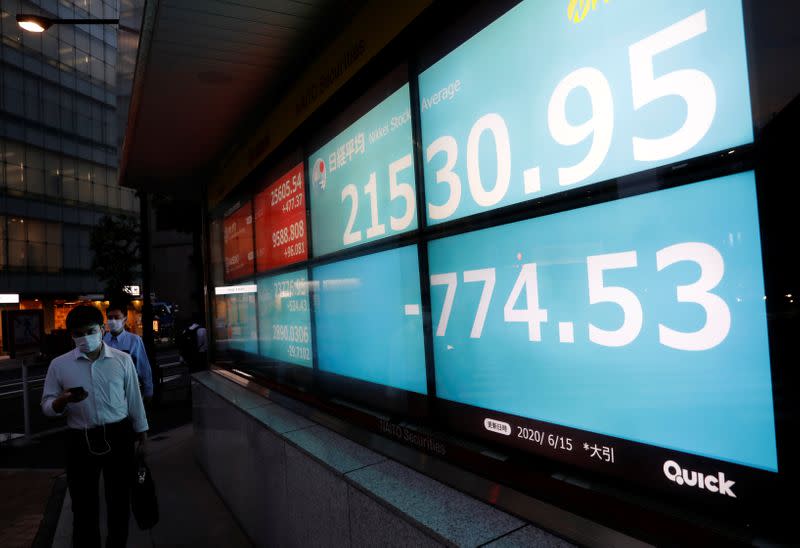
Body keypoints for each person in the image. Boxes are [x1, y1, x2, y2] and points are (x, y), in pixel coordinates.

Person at [41, 305, 148, 548]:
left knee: (119, 502)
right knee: (83, 505)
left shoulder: (122, 360)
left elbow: (134, 399)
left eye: (89, 331)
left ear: (102, 330)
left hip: (118, 434)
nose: (84, 338)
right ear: (71, 335)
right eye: (78, 333)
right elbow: (46, 406)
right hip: (80, 438)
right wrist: (62, 400)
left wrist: (142, 434)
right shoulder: (59, 365)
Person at [103, 301, 154, 402]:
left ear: (124, 319)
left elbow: (143, 366)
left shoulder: (134, 340)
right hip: (107, 391)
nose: (113, 321)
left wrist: (148, 390)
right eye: (110, 317)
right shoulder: (103, 340)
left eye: (117, 317)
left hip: (129, 390)